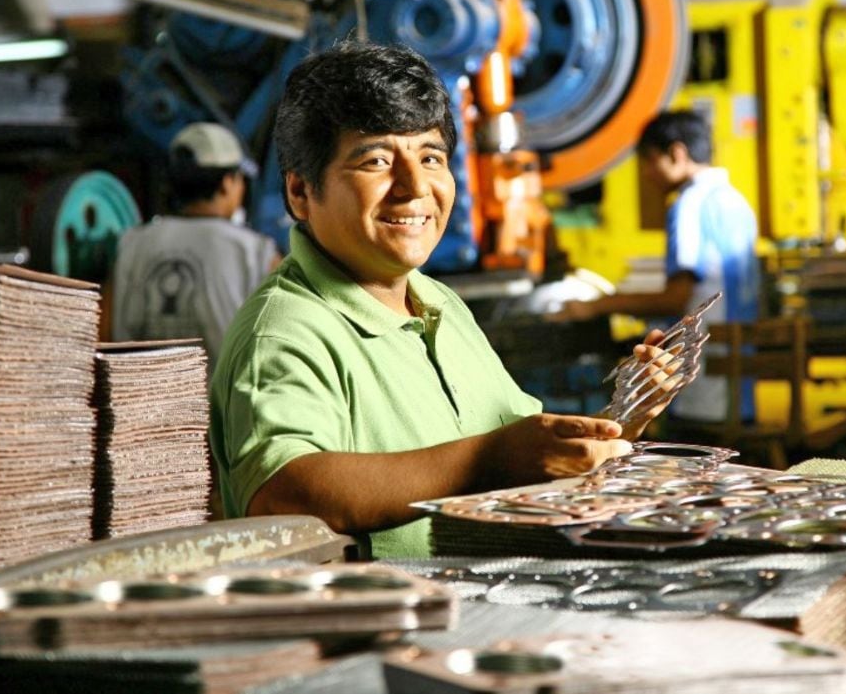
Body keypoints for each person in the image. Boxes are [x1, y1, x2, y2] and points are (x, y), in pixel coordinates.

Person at [209, 41, 673, 559]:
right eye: (377, 160)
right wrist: (487, 462)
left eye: (431, 157)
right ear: (300, 192)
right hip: (389, 626)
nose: (414, 188)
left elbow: (519, 451)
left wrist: (612, 427)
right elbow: (282, 495)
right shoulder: (285, 329)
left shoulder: (440, 303)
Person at [554, 110, 760, 429]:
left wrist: (594, 306)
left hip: (703, 389)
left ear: (677, 154)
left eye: (650, 161)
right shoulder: (737, 202)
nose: (647, 175)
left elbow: (676, 299)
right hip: (740, 385)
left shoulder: (689, 204)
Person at [111, 123, 281, 367]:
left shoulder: (130, 245)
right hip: (221, 406)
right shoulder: (256, 254)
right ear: (227, 183)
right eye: (240, 179)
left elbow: (104, 332)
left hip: (141, 403)